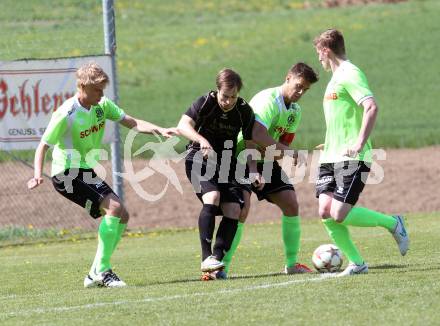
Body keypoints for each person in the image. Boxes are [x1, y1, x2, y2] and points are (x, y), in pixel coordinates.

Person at [27, 62, 176, 287]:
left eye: (103, 89)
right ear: (83, 87)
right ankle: (103, 271)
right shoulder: (66, 113)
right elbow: (43, 146)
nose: (102, 94)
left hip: (84, 171)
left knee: (122, 215)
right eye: (97, 90)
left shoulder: (102, 105)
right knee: (114, 208)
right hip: (65, 173)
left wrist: (159, 129)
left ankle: (95, 271)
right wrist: (37, 174)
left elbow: (132, 122)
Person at [312, 29, 409, 277]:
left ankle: (393, 223)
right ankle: (357, 263)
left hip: (353, 157)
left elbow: (371, 107)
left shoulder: (349, 73)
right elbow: (342, 117)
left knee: (339, 213)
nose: (318, 60)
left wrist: (357, 142)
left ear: (326, 50)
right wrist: (331, 142)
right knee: (325, 211)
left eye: (318, 54)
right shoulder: (334, 79)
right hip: (331, 156)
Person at [221, 62, 319, 276]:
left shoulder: (294, 111)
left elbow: (282, 144)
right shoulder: (269, 100)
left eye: (306, 89)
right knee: (241, 211)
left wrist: (288, 152)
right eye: (298, 85)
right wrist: (285, 152)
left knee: (291, 204)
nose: (301, 92)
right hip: (241, 156)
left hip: (264, 160)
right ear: (288, 78)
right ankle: (222, 267)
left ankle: (292, 264)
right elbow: (256, 135)